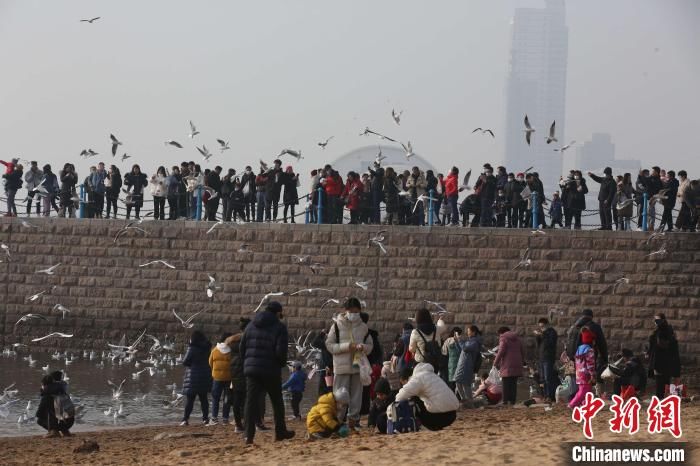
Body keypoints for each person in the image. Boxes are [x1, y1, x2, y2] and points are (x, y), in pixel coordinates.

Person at [240, 301, 295, 444]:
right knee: (277, 401)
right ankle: (280, 432)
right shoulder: (279, 327)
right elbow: (280, 351)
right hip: (270, 370)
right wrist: (281, 364)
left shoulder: (251, 325)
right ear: (278, 313)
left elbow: (242, 347)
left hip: (251, 369)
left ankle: (248, 435)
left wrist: (246, 364)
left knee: (250, 402)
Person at [325, 298, 373, 431]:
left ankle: (354, 421)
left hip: (357, 366)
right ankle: (337, 421)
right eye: (351, 311)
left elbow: (370, 345)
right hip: (341, 367)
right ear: (345, 311)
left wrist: (363, 347)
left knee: (357, 396)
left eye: (356, 311)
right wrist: (347, 347)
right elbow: (329, 345)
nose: (354, 314)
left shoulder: (363, 327)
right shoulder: (336, 326)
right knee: (339, 396)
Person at [394, 362, 459, 431]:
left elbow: (400, 396)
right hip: (452, 415)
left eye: (403, 383)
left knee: (414, 400)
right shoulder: (432, 375)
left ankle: (423, 425)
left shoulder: (417, 378)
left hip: (440, 417)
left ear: (406, 379)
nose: (404, 385)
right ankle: (434, 426)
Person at [566, 309, 608, 389]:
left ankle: (575, 395)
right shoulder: (594, 327)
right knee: (587, 379)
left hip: (572, 357)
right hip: (586, 357)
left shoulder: (574, 327)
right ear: (591, 317)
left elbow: (568, 341)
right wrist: (605, 358)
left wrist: (568, 354)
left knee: (574, 378)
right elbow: (601, 343)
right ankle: (583, 397)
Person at [181, 330, 212, 426]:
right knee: (204, 399)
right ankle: (205, 419)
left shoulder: (192, 348)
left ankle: (185, 419)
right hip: (204, 376)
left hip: (193, 377)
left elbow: (185, 361)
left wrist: (192, 364)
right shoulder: (207, 348)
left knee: (190, 400)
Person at [646, 313, 681, 399]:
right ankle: (663, 398)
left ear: (663, 320)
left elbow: (663, 345)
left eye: (657, 320)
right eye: (655, 320)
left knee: (661, 381)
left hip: (662, 360)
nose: (655, 322)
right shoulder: (664, 331)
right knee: (663, 381)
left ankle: (661, 398)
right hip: (662, 360)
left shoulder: (663, 331)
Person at [225, 317, 251, 433]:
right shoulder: (248, 340)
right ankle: (246, 422)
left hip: (234, 371)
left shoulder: (232, 341)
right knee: (247, 398)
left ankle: (237, 425)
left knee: (236, 398)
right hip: (246, 370)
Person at [493, 327, 525, 405]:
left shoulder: (503, 338)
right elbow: (523, 351)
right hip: (517, 363)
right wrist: (522, 361)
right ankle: (512, 401)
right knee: (513, 383)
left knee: (506, 383)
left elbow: (501, 352)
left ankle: (505, 401)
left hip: (507, 364)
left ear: (502, 333)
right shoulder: (517, 339)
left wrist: (495, 362)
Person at [35, 373, 74, 438]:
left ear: (44, 384)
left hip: (61, 421)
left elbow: (39, 412)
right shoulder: (62, 391)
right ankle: (65, 431)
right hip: (70, 421)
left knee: (41, 419)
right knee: (57, 410)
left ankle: (54, 431)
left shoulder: (47, 396)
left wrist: (43, 392)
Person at [453, 325, 482, 407]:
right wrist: (457, 342)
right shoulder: (470, 341)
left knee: (466, 384)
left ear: (473, 332)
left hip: (467, 366)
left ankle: (469, 403)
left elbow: (465, 349)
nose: (467, 332)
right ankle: (465, 401)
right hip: (462, 365)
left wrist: (459, 340)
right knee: (459, 382)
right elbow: (461, 350)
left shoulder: (475, 342)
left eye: (469, 331)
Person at [568, 328, 597, 409]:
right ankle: (572, 404)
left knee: (586, 391)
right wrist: (592, 374)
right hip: (586, 374)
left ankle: (585, 405)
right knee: (583, 391)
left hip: (579, 373)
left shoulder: (579, 349)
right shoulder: (589, 350)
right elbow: (590, 364)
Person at [208, 332, 233, 426]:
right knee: (227, 398)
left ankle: (214, 418)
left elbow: (210, 362)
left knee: (215, 398)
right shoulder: (231, 351)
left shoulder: (214, 350)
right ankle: (225, 419)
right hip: (228, 378)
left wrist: (215, 371)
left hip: (217, 377)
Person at [535, 318, 558, 402]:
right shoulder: (543, 333)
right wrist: (538, 337)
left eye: (543, 326)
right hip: (541, 358)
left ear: (547, 325)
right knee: (542, 378)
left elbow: (551, 343)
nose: (541, 328)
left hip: (548, 358)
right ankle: (544, 395)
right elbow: (539, 346)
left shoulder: (552, 332)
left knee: (548, 377)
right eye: (540, 327)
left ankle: (549, 396)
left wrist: (543, 334)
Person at [441, 327, 463, 391]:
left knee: (449, 380)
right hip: (457, 362)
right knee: (456, 381)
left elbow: (444, 351)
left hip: (448, 362)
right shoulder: (457, 340)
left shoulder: (448, 340)